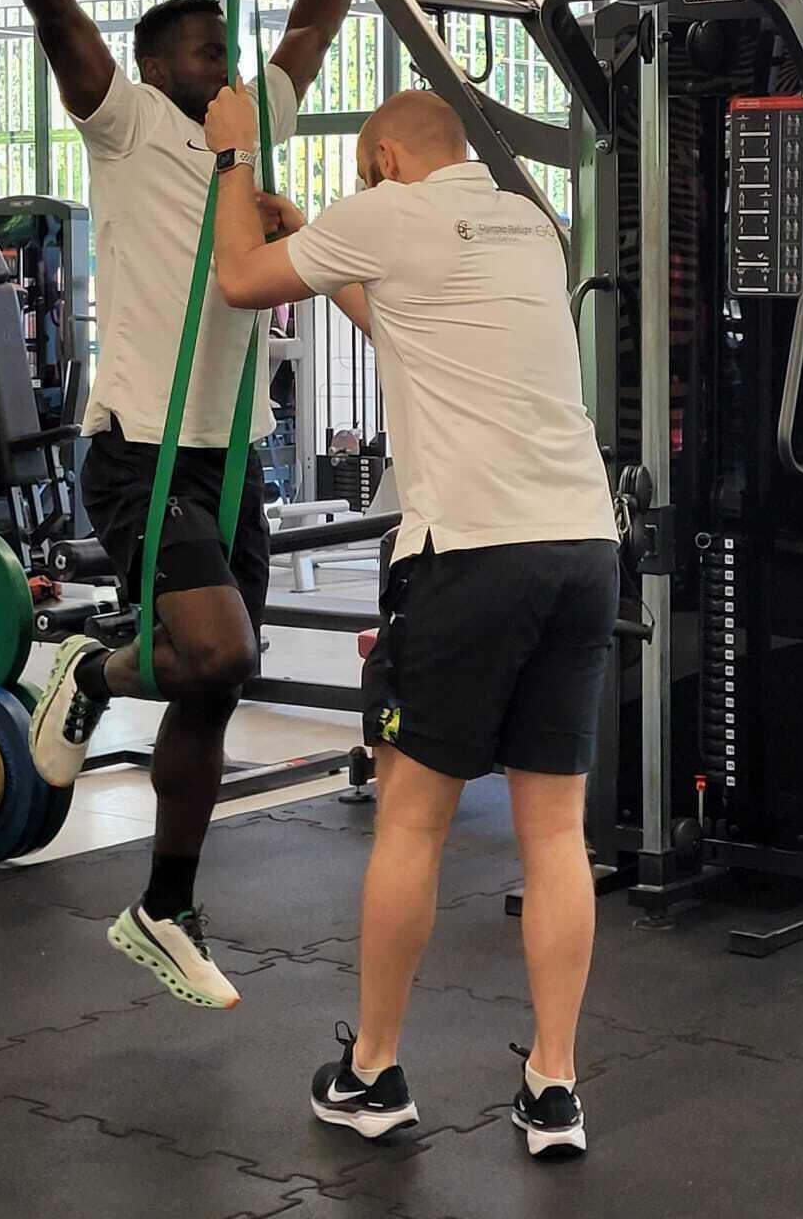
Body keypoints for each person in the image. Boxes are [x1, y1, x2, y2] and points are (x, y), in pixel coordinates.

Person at [0, 0, 395, 1011]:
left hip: (230, 455)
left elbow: (312, 27)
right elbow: (53, 7)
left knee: (217, 682)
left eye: (225, 52)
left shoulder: (241, 137)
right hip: (139, 451)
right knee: (218, 648)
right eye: (207, 51)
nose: (226, 66)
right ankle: (94, 674)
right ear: (158, 67)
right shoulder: (127, 124)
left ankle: (163, 903)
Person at [201, 86, 618, 1158]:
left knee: (412, 824)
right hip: (581, 545)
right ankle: (555, 1087)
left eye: (363, 173)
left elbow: (244, 278)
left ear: (385, 157)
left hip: (469, 554)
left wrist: (234, 160)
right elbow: (413, 323)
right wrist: (327, 249)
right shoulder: (531, 221)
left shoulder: (385, 211)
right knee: (556, 835)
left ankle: (374, 1071)